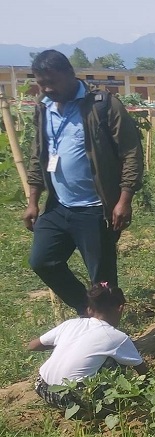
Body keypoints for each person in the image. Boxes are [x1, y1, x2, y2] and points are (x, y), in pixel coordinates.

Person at [23, 50, 143, 316]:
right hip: (58, 205)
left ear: (70, 73)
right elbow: (38, 155)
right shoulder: (45, 108)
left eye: (52, 81)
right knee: (42, 261)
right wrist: (33, 200)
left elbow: (131, 152)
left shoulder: (102, 105)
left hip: (95, 209)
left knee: (102, 281)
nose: (47, 88)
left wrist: (124, 200)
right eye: (41, 83)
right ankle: (88, 309)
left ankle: (109, 344)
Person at [28, 283, 148, 409]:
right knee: (115, 360)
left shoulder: (71, 324)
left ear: (89, 309)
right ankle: (104, 407)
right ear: (120, 308)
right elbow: (142, 371)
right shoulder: (117, 337)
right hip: (72, 398)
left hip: (42, 388)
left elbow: (32, 345)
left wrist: (67, 343)